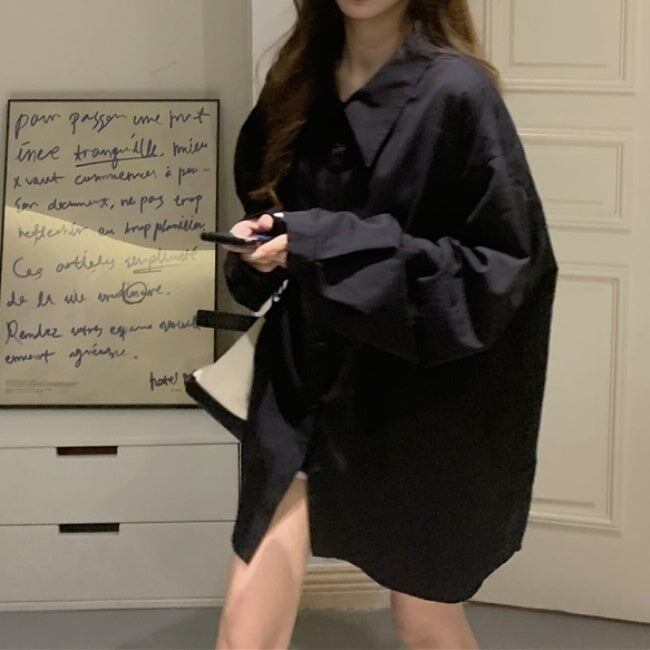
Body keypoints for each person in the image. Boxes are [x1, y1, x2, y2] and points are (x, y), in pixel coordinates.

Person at [214, 0, 559, 648]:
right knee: (244, 626)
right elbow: (269, 211)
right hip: (303, 383)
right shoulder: (296, 81)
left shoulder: (457, 93)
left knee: (425, 619)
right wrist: (260, 247)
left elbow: (501, 270)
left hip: (413, 397)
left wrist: (323, 242)